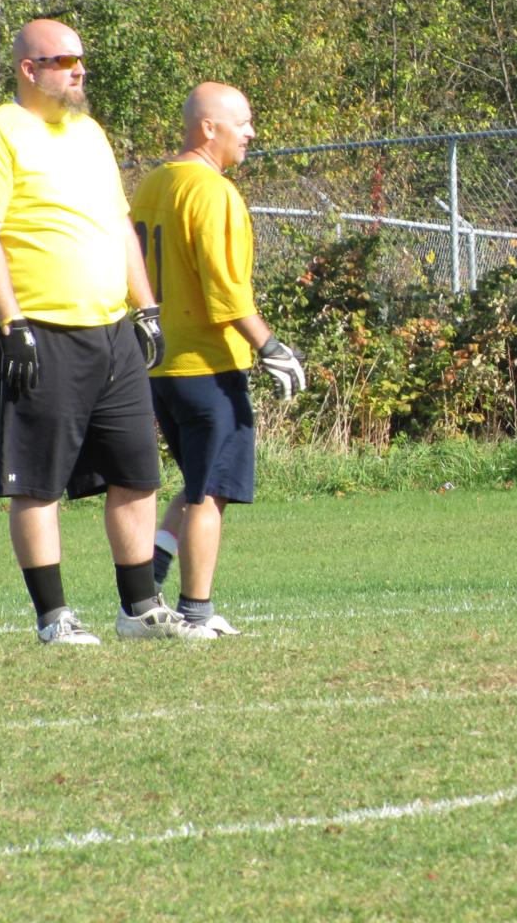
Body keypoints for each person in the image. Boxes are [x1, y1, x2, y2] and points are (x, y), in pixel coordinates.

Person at [0, 18, 213, 643]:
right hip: (37, 329)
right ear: (30, 68)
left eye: (80, 59)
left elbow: (118, 225)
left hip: (110, 329)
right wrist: (11, 322)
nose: (79, 70)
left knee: (136, 472)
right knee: (37, 479)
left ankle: (140, 609)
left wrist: (144, 308)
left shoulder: (90, 133)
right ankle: (54, 616)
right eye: (65, 60)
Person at [131, 82, 305, 637]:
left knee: (196, 480)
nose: (251, 132)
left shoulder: (154, 182)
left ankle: (153, 574)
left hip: (162, 366)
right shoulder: (212, 191)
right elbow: (225, 291)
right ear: (209, 128)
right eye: (243, 121)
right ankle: (195, 611)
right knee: (212, 492)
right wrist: (270, 346)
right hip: (207, 365)